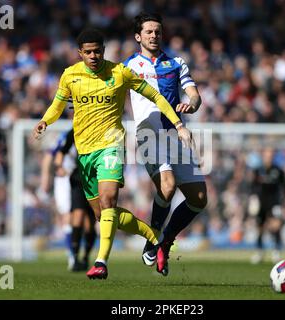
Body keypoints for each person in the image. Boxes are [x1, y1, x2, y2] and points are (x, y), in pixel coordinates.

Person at [33, 28, 193, 280]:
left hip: (111, 146)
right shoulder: (70, 75)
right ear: (80, 53)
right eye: (88, 52)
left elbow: (157, 98)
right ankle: (157, 237)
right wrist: (45, 121)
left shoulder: (119, 73)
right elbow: (58, 104)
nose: (93, 55)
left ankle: (100, 262)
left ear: (103, 50)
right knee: (103, 215)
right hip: (85, 153)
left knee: (109, 201)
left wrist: (180, 125)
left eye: (97, 50)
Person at [124, 12, 207, 276]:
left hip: (175, 134)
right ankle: (152, 240)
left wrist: (191, 105)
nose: (154, 35)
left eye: (157, 31)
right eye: (148, 32)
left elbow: (194, 95)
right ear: (138, 36)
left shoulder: (176, 63)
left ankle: (165, 241)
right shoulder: (127, 67)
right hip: (148, 134)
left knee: (199, 198)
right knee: (168, 185)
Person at [54, 128, 97, 272]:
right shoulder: (76, 130)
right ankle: (75, 257)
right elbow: (61, 150)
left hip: (96, 179)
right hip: (78, 179)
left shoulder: (102, 128)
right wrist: (59, 166)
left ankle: (85, 257)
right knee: (77, 217)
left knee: (90, 224)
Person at [37, 131, 78, 270]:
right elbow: (49, 156)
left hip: (80, 179)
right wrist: (44, 178)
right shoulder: (64, 136)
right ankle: (72, 255)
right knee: (68, 217)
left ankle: (75, 253)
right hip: (65, 180)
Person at [249, 147, 285, 264]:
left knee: (276, 226)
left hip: (275, 203)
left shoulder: (278, 170)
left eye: (271, 154)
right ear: (263, 155)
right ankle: (259, 252)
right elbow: (252, 186)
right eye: (267, 154)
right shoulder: (258, 170)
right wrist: (253, 198)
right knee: (260, 228)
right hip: (261, 202)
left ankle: (276, 252)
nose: (269, 156)